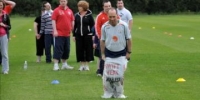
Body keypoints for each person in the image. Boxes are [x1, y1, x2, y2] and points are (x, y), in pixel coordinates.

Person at [100, 8, 132, 98]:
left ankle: (119, 93)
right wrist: (102, 54)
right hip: (109, 53)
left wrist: (129, 52)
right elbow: (102, 41)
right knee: (107, 75)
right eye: (110, 17)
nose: (112, 18)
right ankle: (108, 92)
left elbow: (129, 39)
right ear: (107, 16)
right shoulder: (105, 27)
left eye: (114, 16)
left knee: (119, 75)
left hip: (121, 53)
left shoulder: (123, 25)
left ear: (117, 16)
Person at [51, 0, 74, 71]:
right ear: (59, 2)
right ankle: (56, 65)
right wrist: (55, 30)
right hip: (59, 34)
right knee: (58, 49)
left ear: (67, 2)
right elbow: (53, 20)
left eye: (64, 1)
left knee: (66, 49)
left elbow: (72, 20)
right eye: (61, 1)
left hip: (67, 34)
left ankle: (64, 64)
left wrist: (72, 27)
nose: (63, 2)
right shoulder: (56, 10)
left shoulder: (70, 11)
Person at [73, 0, 94, 71]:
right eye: (78, 6)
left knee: (88, 50)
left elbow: (92, 26)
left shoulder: (89, 15)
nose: (79, 8)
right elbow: (75, 26)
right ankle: (81, 65)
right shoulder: (76, 15)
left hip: (87, 35)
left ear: (84, 7)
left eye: (80, 6)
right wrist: (74, 35)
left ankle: (87, 65)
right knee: (79, 50)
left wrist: (92, 34)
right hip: (78, 35)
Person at [95, 0, 112, 76]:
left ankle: (111, 70)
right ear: (103, 7)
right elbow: (97, 27)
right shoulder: (100, 16)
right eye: (106, 6)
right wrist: (100, 37)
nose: (108, 8)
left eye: (109, 6)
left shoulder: (114, 15)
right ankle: (101, 71)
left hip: (112, 39)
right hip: (103, 39)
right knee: (102, 55)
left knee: (112, 54)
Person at [0, 0, 11, 74]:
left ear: (3, 6)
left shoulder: (5, 15)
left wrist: (4, 25)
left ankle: (5, 69)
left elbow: (9, 26)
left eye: (1, 5)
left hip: (3, 35)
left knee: (4, 53)